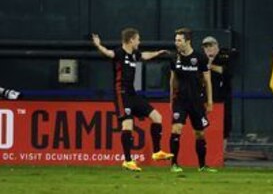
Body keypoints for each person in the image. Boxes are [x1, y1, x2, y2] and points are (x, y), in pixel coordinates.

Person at [91, 27, 173, 172]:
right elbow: (108, 53)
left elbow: (145, 55)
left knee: (157, 117)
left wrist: (158, 53)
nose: (139, 41)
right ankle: (128, 160)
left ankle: (157, 152)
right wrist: (98, 45)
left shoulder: (135, 54)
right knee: (127, 125)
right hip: (121, 93)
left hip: (133, 93)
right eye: (138, 39)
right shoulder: (119, 53)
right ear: (131, 40)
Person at [169, 27, 217, 173]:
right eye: (176, 40)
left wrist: (210, 101)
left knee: (200, 133)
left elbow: (207, 81)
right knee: (176, 129)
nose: (176, 43)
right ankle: (174, 164)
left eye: (179, 40)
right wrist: (171, 99)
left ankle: (202, 166)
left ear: (187, 41)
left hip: (197, 101)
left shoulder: (200, 58)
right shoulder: (174, 57)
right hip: (180, 101)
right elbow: (172, 80)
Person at [201, 36, 237, 154]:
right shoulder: (200, 59)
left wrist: (210, 66)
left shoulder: (225, 56)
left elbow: (227, 72)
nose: (209, 49)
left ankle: (221, 153)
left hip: (222, 97)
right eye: (206, 47)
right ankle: (205, 151)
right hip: (206, 98)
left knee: (224, 125)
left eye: (211, 45)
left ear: (217, 46)